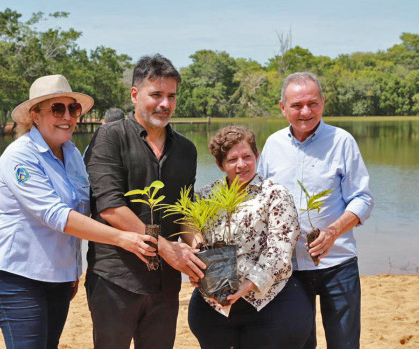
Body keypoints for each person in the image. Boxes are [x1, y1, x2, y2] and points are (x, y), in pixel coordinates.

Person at [0, 74, 158, 349]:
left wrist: (72, 270)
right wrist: (122, 238)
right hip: (18, 278)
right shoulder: (20, 156)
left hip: (58, 278)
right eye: (57, 108)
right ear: (35, 116)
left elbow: (84, 209)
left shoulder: (73, 154)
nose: (68, 116)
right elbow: (57, 215)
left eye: (72, 108)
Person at [84, 54, 205, 349]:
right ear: (135, 94)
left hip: (165, 284)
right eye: (157, 95)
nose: (165, 104)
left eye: (171, 96)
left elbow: (184, 210)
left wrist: (196, 245)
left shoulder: (186, 150)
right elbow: (111, 208)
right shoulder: (109, 138)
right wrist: (167, 250)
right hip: (116, 278)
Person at [257, 72, 375, 349]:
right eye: (297, 105)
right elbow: (260, 199)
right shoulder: (273, 145)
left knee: (344, 343)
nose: (306, 111)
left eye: (313, 103)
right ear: (282, 107)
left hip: (338, 263)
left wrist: (333, 232)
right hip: (289, 269)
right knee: (297, 342)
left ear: (323, 102)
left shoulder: (342, 141)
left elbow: (363, 199)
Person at [188, 126, 313, 349]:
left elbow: (280, 250)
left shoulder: (274, 193)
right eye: (232, 159)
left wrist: (245, 286)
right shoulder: (205, 196)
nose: (241, 165)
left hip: (270, 301)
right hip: (216, 305)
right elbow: (192, 234)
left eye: (247, 156)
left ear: (257, 156)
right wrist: (197, 270)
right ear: (220, 164)